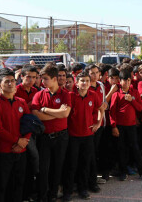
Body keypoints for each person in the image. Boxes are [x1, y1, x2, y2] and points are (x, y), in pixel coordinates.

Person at [31, 63, 71, 201]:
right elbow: (35, 114)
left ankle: (53, 194)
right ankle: (42, 196)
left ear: (54, 79)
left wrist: (45, 109)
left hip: (61, 137)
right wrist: (57, 113)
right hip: (44, 138)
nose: (43, 82)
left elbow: (65, 113)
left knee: (58, 167)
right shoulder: (39, 94)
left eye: (46, 79)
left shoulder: (65, 94)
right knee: (43, 169)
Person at [0, 68, 31, 202]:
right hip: (4, 152)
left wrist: (24, 141)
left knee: (18, 184)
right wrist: (17, 140)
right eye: (7, 81)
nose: (10, 84)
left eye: (13, 81)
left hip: (21, 150)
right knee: (2, 185)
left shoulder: (22, 102)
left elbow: (29, 123)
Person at [63, 72, 100, 201]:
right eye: (82, 81)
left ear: (90, 83)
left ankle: (82, 189)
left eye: (87, 81)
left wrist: (98, 123)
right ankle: (67, 191)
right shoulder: (70, 96)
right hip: (73, 136)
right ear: (77, 83)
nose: (84, 83)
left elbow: (99, 109)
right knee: (72, 164)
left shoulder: (93, 95)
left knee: (85, 163)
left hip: (88, 136)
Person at [111, 69, 142, 181]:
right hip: (120, 126)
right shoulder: (116, 94)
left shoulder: (134, 92)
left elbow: (140, 107)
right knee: (122, 149)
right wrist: (114, 126)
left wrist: (131, 100)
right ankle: (123, 172)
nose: (127, 83)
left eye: (129, 80)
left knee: (135, 148)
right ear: (120, 81)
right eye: (124, 81)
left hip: (132, 126)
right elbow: (112, 112)